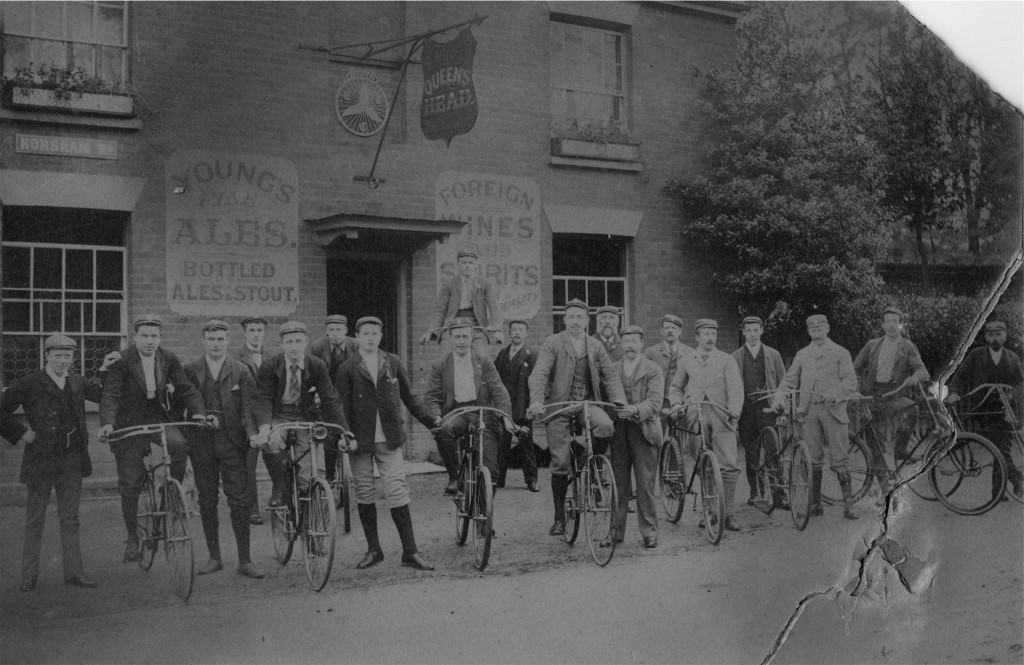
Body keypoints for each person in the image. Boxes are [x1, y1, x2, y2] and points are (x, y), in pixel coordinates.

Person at [1, 334, 118, 591]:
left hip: (71, 460)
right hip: (40, 461)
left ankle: (74, 573)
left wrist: (105, 369)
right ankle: (28, 577)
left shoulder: (76, 381)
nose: (63, 361)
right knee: (35, 518)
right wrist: (21, 433)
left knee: (70, 517)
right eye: (58, 355)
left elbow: (102, 395)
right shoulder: (30, 382)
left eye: (68, 356)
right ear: (46, 355)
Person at [98, 314, 207, 563]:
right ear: (135, 337)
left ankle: (170, 492)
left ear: (160, 338)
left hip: (157, 416)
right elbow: (111, 395)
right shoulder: (122, 360)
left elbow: (186, 388)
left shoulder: (167, 358)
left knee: (180, 445)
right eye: (145, 336)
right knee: (130, 482)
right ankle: (133, 538)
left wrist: (200, 412)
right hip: (129, 421)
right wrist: (107, 423)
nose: (149, 341)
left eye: (154, 336)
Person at [336, 316, 437, 571]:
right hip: (361, 441)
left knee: (397, 490)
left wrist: (430, 420)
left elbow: (410, 397)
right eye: (365, 333)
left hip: (390, 439)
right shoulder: (347, 368)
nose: (370, 337)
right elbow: (341, 407)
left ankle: (410, 551)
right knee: (365, 492)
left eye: (375, 333)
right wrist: (345, 434)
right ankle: (374, 550)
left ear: (380, 336)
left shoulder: (392, 362)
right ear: (357, 337)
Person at [527, 298, 626, 536]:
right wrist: (537, 400)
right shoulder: (553, 343)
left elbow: (610, 376)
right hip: (560, 406)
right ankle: (560, 518)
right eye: (570, 316)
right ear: (564, 319)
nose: (575, 321)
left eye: (580, 317)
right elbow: (539, 373)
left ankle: (587, 460)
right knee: (560, 462)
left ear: (587, 321)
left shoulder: (594, 346)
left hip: (586, 403)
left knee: (605, 426)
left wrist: (619, 400)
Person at [183, 320, 264, 579]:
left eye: (220, 339)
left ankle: (245, 560)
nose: (216, 344)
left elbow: (249, 407)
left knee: (239, 501)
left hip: (233, 443)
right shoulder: (191, 370)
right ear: (203, 341)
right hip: (202, 444)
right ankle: (214, 557)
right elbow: (183, 405)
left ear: (228, 341)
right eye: (211, 339)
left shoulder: (241, 370)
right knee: (207, 500)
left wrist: (252, 434)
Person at [771, 314, 859, 520]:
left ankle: (849, 504)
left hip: (833, 411)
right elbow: (789, 380)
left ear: (827, 328)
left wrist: (834, 394)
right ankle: (815, 503)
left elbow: (849, 381)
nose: (817, 331)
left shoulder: (840, 352)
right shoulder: (802, 354)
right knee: (813, 458)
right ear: (808, 331)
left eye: (820, 327)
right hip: (808, 412)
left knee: (839, 459)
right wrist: (779, 395)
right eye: (812, 328)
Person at [250, 321, 347, 507]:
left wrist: (343, 430)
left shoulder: (316, 365)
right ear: (282, 344)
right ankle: (279, 484)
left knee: (307, 471)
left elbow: (330, 399)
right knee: (272, 442)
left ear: (305, 342)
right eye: (289, 342)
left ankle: (306, 505)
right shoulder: (270, 366)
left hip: (305, 416)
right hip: (280, 414)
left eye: (298, 341)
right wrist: (264, 428)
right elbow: (262, 398)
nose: (294, 347)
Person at [668, 319, 745, 532]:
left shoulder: (726, 360)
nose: (710, 338)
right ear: (697, 337)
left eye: (713, 333)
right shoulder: (686, 359)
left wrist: (734, 411)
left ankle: (728, 514)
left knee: (729, 464)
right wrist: (676, 404)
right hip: (695, 415)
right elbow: (676, 387)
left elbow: (736, 390)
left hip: (721, 416)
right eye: (706, 334)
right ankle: (708, 511)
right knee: (702, 462)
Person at [425, 317, 513, 496]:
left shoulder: (484, 361)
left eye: (465, 336)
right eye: (457, 337)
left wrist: (506, 417)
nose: (461, 341)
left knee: (490, 466)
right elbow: (432, 396)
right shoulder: (440, 364)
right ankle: (454, 476)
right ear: (450, 338)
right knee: (444, 431)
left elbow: (498, 390)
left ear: (471, 338)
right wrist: (436, 415)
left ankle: (486, 517)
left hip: (481, 411)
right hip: (456, 411)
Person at [852, 306, 930, 498]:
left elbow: (923, 371)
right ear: (882, 325)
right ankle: (885, 489)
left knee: (912, 410)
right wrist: (855, 390)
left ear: (901, 325)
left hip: (893, 395)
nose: (891, 326)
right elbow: (854, 369)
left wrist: (914, 377)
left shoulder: (907, 346)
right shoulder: (872, 345)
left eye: (895, 322)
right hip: (871, 397)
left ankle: (901, 449)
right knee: (874, 444)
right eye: (887, 321)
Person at [947, 319, 1024, 500]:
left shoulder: (1012, 358)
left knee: (1001, 449)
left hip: (1005, 411)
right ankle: (1015, 479)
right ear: (986, 337)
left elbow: (1021, 382)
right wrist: (954, 393)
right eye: (991, 334)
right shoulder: (976, 355)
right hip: (981, 410)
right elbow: (960, 376)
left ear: (1005, 336)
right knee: (998, 448)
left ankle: (998, 493)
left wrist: (1012, 393)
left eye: (999, 334)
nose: (995, 338)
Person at [610, 326, 663, 548]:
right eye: (626, 341)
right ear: (621, 344)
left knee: (645, 484)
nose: (630, 345)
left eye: (634, 341)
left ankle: (649, 532)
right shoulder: (612, 369)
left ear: (642, 344)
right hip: (619, 432)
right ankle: (615, 531)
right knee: (618, 484)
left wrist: (635, 410)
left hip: (644, 431)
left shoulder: (652, 369)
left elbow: (655, 402)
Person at [730, 316, 787, 507]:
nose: (752, 334)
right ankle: (756, 493)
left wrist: (781, 406)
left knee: (773, 450)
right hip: (746, 411)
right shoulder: (735, 357)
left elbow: (783, 383)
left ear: (762, 331)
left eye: (756, 330)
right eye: (749, 330)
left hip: (768, 409)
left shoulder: (774, 355)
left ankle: (779, 495)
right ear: (743, 332)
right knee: (751, 453)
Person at [420, 247, 503, 354]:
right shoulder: (449, 284)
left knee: (481, 357)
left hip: (476, 327)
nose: (467, 266)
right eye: (463, 262)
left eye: (470, 263)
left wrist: (498, 330)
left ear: (476, 265)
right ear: (458, 265)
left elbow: (494, 308)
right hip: (452, 325)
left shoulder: (485, 284)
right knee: (446, 356)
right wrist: (430, 331)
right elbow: (439, 311)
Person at [309, 314, 360, 489]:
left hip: (351, 394)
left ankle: (354, 472)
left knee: (352, 432)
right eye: (331, 330)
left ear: (346, 331)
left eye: (339, 330)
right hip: (327, 395)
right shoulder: (317, 347)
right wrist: (315, 394)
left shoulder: (356, 345)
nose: (335, 334)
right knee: (330, 435)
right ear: (326, 331)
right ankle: (330, 473)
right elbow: (311, 372)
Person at [494, 318, 540, 492]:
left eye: (521, 330)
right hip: (505, 407)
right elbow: (495, 380)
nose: (517, 333)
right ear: (509, 332)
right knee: (502, 443)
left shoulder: (532, 354)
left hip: (523, 407)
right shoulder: (502, 354)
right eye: (514, 330)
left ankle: (532, 480)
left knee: (526, 444)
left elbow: (536, 383)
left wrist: (532, 406)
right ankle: (499, 478)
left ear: (526, 333)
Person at [235, 315, 270, 525]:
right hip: (245, 415)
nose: (256, 334)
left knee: (279, 459)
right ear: (245, 333)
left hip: (268, 416)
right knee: (248, 465)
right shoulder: (236, 357)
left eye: (259, 330)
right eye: (252, 330)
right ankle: (252, 509)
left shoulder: (273, 356)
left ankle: (281, 501)